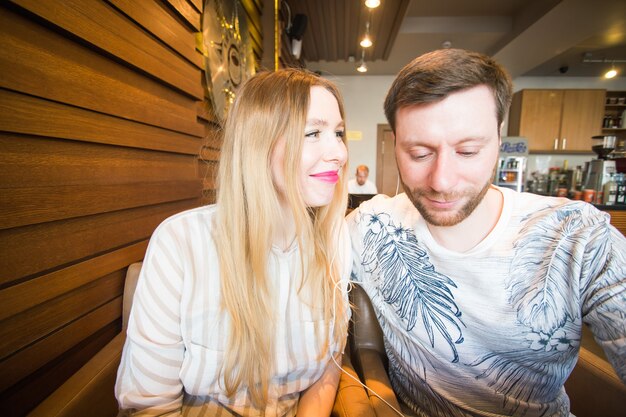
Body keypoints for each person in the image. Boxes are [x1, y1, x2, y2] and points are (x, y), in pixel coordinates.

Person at [347, 48, 626, 417]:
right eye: (419, 154)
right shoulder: (372, 226)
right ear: (395, 143)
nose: (442, 181)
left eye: (468, 151)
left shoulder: (578, 237)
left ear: (498, 138)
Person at [115, 69, 352, 416]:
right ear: (258, 142)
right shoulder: (181, 243)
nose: (339, 154)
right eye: (313, 133)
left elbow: (331, 361)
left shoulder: (333, 239)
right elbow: (148, 405)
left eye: (339, 133)